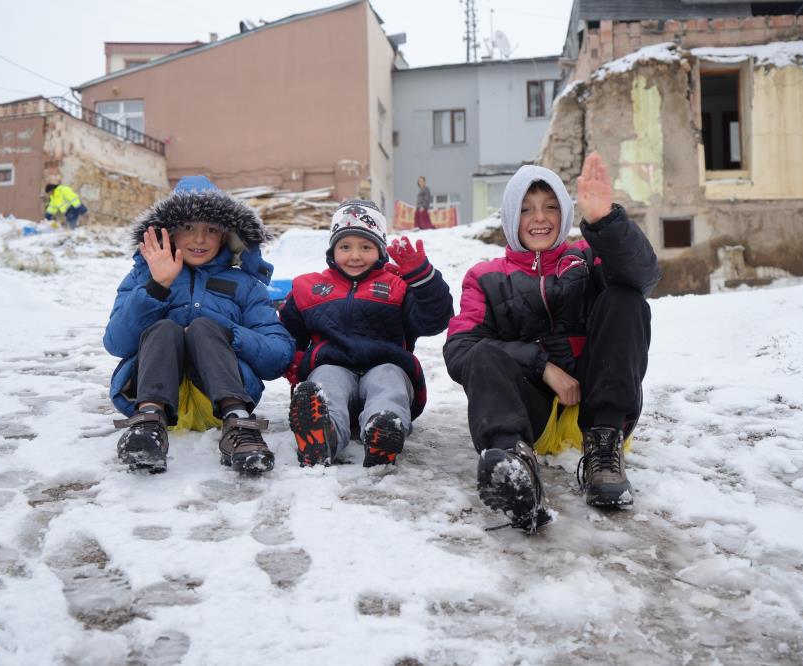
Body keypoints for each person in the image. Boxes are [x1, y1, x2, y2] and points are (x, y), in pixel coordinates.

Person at [443, 153, 661, 532]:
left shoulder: (588, 261)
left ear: (564, 214)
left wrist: (604, 222)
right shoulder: (485, 277)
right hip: (530, 418)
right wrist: (542, 366)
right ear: (512, 218)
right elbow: (460, 350)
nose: (539, 218)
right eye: (526, 209)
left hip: (594, 412)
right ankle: (514, 465)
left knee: (626, 298)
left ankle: (603, 454)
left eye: (549, 207)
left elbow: (644, 276)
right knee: (481, 352)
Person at [103, 175, 295, 474]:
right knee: (165, 328)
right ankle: (148, 427)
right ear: (168, 232)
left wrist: (227, 332)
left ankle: (240, 426)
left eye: (211, 229)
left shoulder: (245, 285)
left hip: (219, 400)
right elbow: (117, 343)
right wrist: (157, 286)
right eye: (188, 227)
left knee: (206, 327)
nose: (199, 239)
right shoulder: (143, 277)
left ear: (226, 235)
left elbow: (278, 356)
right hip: (158, 398)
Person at [280, 200, 453, 467]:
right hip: (333, 365)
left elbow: (434, 321)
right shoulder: (310, 287)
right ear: (332, 249)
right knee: (326, 379)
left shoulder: (397, 286)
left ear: (381, 250)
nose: (355, 256)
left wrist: (422, 278)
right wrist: (294, 360)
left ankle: (384, 429)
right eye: (345, 246)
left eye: (366, 247)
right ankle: (323, 437)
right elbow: (289, 332)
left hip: (386, 365)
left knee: (389, 380)